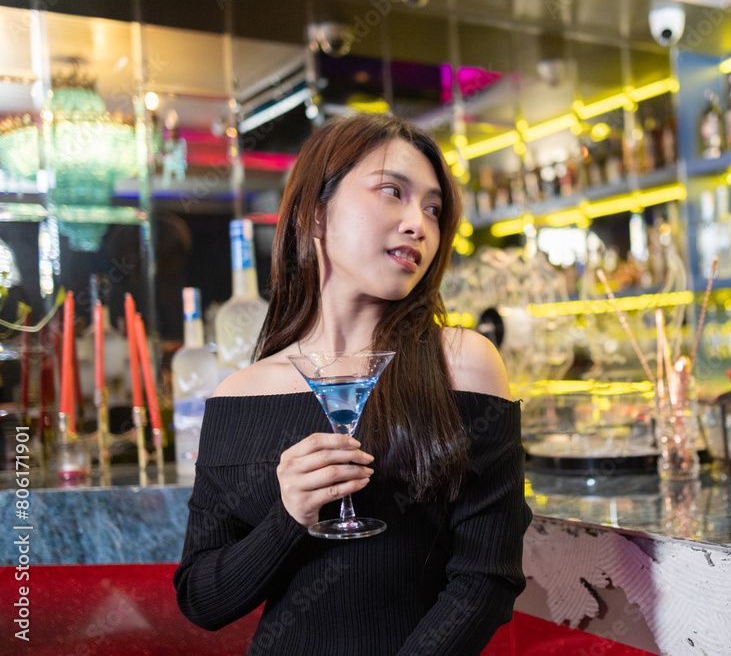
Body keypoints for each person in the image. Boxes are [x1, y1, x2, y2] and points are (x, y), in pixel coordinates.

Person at [174, 113, 531, 655]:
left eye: (433, 209)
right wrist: (289, 516)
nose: (419, 224)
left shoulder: (463, 364)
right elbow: (203, 600)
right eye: (393, 192)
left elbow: (486, 579)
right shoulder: (239, 395)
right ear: (316, 212)